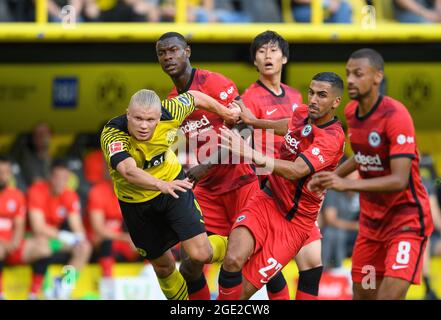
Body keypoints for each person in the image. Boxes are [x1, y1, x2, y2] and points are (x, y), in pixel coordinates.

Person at [310, 48, 434, 300]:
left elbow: (399, 180)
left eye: (358, 74)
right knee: (363, 296)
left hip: (406, 222)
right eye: (348, 74)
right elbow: (362, 155)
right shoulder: (351, 113)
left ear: (377, 77)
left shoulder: (396, 116)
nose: (351, 80)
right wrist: (330, 177)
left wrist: (345, 184)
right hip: (371, 227)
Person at [217, 72, 346, 300]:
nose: (314, 99)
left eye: (322, 95)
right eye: (312, 92)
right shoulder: (303, 112)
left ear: (336, 102)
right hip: (267, 199)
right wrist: (253, 122)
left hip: (293, 222)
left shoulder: (332, 138)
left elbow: (297, 170)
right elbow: (289, 125)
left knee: (244, 292)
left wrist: (249, 152)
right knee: (233, 258)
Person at [100, 88, 238, 300]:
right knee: (164, 268)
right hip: (136, 203)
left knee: (201, 254)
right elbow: (128, 171)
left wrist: (226, 113)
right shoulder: (113, 134)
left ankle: (240, 245)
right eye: (137, 118)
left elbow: (195, 97)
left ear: (159, 116)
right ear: (127, 114)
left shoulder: (171, 111)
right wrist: (159, 185)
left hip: (173, 187)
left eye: (150, 119)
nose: (144, 125)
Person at [156, 31, 265, 300]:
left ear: (187, 52)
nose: (168, 56)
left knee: (254, 261)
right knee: (190, 264)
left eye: (173, 50)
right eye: (162, 53)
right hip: (208, 192)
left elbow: (244, 128)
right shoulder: (172, 101)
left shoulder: (212, 82)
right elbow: (183, 149)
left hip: (241, 183)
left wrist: (206, 164)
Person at [240, 30, 323, 300]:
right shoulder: (249, 99)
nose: (267, 56)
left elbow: (304, 139)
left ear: (284, 58)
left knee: (311, 265)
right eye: (261, 52)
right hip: (269, 190)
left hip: (298, 190)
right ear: (254, 61)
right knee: (269, 269)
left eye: (273, 51)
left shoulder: (296, 96)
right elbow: (242, 147)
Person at [28, 159, 92, 299]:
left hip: (55, 242)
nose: (61, 182)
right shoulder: (37, 191)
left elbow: (77, 226)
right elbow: (38, 227)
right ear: (50, 176)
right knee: (42, 242)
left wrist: (79, 239)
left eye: (65, 178)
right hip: (34, 240)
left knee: (85, 247)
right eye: (57, 177)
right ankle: (35, 291)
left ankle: (65, 285)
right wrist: (64, 236)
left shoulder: (69, 194)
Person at [0, 155, 52, 300]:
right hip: (2, 245)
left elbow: (19, 225)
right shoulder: (38, 192)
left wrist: (14, 242)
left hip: (14, 246)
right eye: (0, 172)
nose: (2, 176)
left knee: (45, 247)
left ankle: (37, 293)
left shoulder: (16, 195)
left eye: (5, 172)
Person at [86, 159, 137, 279]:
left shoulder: (129, 190)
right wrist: (125, 238)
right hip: (99, 240)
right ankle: (107, 280)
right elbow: (98, 229)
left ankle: (148, 276)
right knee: (106, 243)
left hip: (120, 240)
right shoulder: (97, 191)